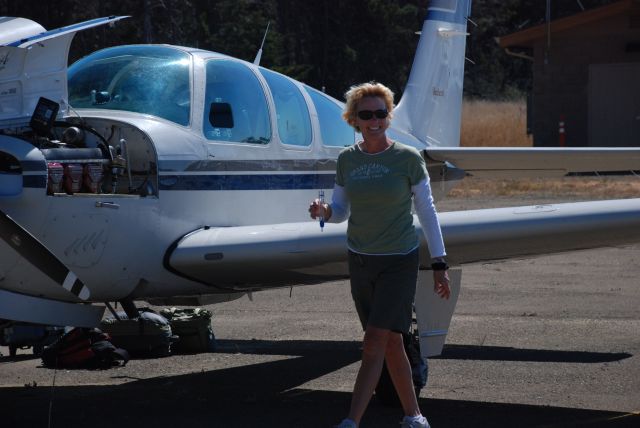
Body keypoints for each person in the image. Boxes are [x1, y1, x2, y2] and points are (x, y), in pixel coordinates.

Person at [308, 82, 450, 428]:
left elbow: (427, 211)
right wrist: (324, 211)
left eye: (381, 113)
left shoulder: (407, 158)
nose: (374, 121)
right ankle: (414, 416)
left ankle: (352, 420)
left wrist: (439, 262)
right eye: (366, 114)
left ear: (389, 116)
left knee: (373, 340)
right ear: (354, 119)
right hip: (360, 260)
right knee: (390, 343)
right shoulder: (347, 159)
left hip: (399, 259)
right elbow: (340, 210)